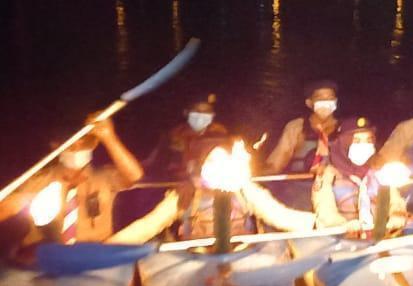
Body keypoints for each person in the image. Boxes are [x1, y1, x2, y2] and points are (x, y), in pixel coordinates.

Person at [112, 136, 316, 243]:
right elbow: (147, 226)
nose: (220, 167)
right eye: (212, 161)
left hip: (240, 251)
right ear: (202, 166)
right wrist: (107, 247)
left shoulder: (246, 190)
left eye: (223, 160)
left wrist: (321, 224)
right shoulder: (184, 196)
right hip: (195, 254)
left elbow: (282, 216)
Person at [0, 118, 145, 252]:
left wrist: (109, 137)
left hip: (95, 254)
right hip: (47, 256)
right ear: (56, 145)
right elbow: (5, 209)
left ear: (94, 145)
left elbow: (134, 175)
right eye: (70, 143)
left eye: (85, 142)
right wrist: (19, 203)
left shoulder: (105, 177)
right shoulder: (38, 180)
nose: (77, 147)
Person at [314, 118, 408, 236]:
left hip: (382, 236)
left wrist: (397, 215)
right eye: (357, 141)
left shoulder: (379, 170)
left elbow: (395, 200)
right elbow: (325, 212)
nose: (364, 146)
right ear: (344, 143)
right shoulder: (328, 173)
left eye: (368, 141)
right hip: (341, 239)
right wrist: (344, 225)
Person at [263, 80, 341, 175]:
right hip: (299, 184)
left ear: (336, 102)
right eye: (320, 98)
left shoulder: (344, 128)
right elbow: (277, 161)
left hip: (334, 185)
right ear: (309, 103)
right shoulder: (296, 127)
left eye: (330, 98)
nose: (325, 102)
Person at [143, 94, 227, 179]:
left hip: (213, 185)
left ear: (213, 114)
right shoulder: (173, 136)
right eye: (196, 110)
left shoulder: (221, 136)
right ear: (186, 112)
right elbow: (156, 164)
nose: (201, 115)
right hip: (177, 184)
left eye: (206, 111)